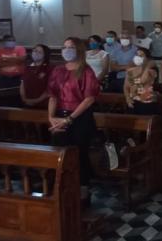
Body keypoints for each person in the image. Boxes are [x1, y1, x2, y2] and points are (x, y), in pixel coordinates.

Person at [47, 37, 99, 201]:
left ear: (79, 50)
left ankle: (83, 187)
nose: (67, 50)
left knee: (79, 153)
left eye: (71, 47)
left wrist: (69, 119)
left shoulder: (86, 70)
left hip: (80, 117)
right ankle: (63, 186)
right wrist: (51, 117)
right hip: (60, 115)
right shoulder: (58, 70)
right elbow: (53, 96)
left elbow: (89, 98)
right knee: (60, 152)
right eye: (65, 47)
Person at [125, 47, 159, 115]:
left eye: (141, 56)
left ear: (147, 58)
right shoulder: (131, 71)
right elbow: (126, 86)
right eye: (137, 55)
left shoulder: (151, 70)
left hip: (147, 101)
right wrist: (128, 98)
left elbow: (142, 81)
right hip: (133, 101)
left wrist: (147, 66)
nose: (138, 57)